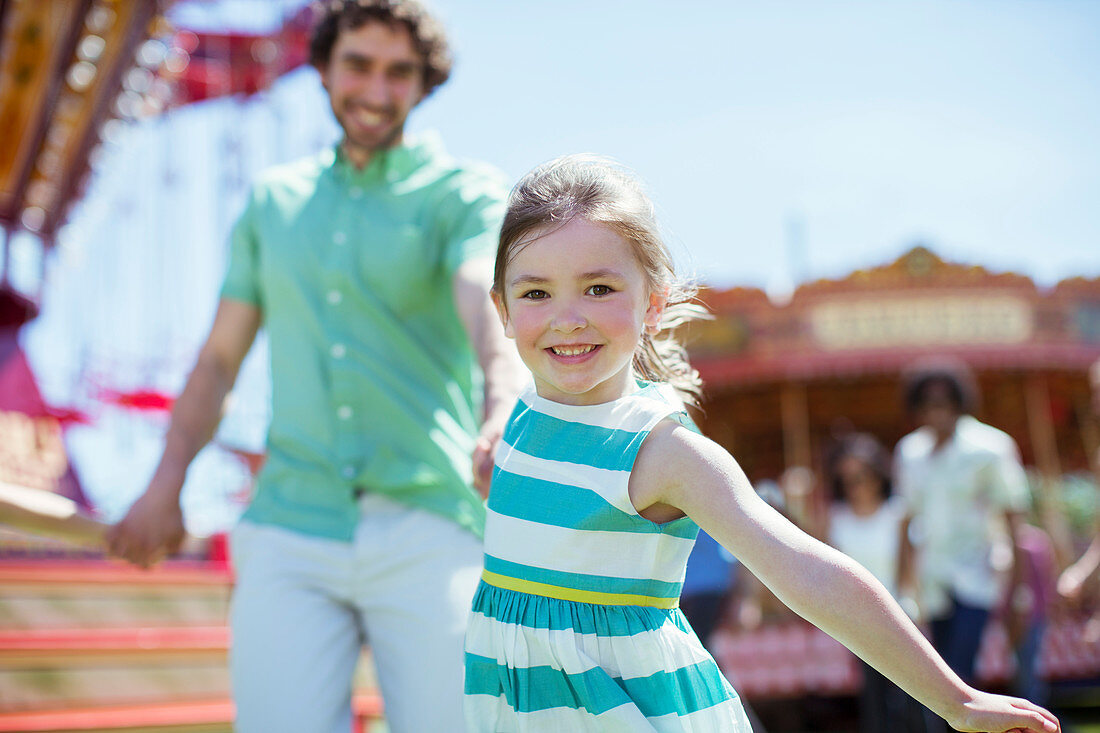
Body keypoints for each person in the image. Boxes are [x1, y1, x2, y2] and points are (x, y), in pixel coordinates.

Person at [462, 154, 1061, 733]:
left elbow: (809, 573)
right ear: (504, 311)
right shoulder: (518, 415)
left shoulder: (662, 452)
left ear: (653, 303)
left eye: (598, 288)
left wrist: (957, 700)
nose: (567, 318)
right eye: (537, 293)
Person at [106, 2, 524, 731]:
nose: (375, 88)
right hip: (289, 528)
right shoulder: (274, 203)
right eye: (357, 65)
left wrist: (502, 405)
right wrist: (164, 485)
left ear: (425, 84)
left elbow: (488, 313)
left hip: (430, 518)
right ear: (324, 70)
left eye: (400, 73)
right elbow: (216, 363)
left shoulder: (462, 195)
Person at [894, 357, 1032, 698]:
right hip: (932, 581)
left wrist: (1018, 590)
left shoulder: (990, 448)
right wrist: (904, 588)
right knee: (939, 675)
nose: (935, 412)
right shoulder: (910, 453)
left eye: (942, 403)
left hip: (979, 577)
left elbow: (1014, 521)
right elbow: (906, 522)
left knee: (960, 672)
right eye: (926, 404)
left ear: (959, 403)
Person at [825, 432, 927, 733]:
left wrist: (914, 610)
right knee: (875, 701)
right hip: (859, 622)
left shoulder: (898, 514)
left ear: (878, 475)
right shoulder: (836, 518)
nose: (856, 485)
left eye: (861, 476)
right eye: (847, 479)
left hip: (901, 616)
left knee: (914, 698)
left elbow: (909, 570)